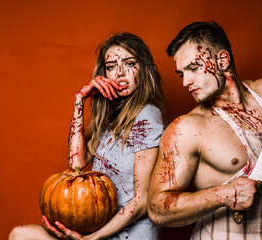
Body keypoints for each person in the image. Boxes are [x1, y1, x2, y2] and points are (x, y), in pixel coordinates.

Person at [148, 21, 262, 239]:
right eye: (182, 74)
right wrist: (224, 194)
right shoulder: (187, 128)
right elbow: (157, 208)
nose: (185, 82)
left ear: (222, 60)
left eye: (193, 68)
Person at [9, 32, 166, 240]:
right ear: (103, 73)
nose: (119, 73)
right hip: (100, 226)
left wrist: (92, 238)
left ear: (144, 69)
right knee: (20, 235)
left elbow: (142, 200)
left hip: (128, 232)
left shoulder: (146, 116)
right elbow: (77, 163)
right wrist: (79, 101)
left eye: (129, 63)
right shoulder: (110, 119)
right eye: (111, 67)